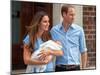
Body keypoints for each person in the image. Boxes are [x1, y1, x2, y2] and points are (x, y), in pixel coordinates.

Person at [50, 4, 87, 71]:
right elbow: (50, 49)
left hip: (75, 68)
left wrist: (84, 70)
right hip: (59, 68)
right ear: (64, 14)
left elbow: (83, 51)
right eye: (71, 15)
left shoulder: (79, 30)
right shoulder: (54, 31)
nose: (73, 17)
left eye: (74, 15)